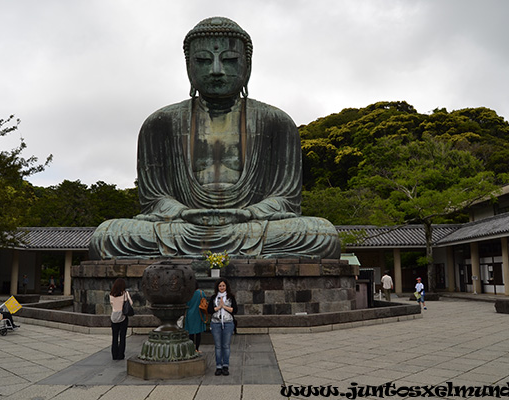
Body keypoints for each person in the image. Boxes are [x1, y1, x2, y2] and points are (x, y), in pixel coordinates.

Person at [89, 16, 340, 260]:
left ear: (247, 66)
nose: (216, 70)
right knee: (107, 235)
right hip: (184, 226)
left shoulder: (277, 122)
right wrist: (185, 213)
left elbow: (285, 200)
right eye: (203, 60)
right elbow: (155, 199)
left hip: (251, 226)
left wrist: (247, 213)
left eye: (230, 60)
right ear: (189, 67)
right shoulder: (160, 123)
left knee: (321, 234)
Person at [207, 278, 237, 376]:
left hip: (228, 323)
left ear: (226, 287)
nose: (222, 287)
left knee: (226, 346)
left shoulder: (230, 297)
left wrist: (224, 306)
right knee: (218, 346)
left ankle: (225, 365)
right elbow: (210, 310)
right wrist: (219, 307)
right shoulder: (214, 297)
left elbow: (235, 310)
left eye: (223, 286)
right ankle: (218, 366)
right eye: (220, 286)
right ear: (217, 287)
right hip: (216, 323)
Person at [109, 278, 131, 360]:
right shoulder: (125, 294)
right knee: (122, 337)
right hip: (122, 317)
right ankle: (120, 354)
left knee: (114, 337)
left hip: (114, 317)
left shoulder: (111, 295)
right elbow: (130, 303)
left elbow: (111, 304)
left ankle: (114, 354)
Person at [184, 282, 207, 352]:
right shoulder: (201, 293)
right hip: (198, 314)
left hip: (189, 315)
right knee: (198, 333)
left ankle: (191, 349)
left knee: (190, 333)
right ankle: (197, 348)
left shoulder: (187, 294)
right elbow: (204, 301)